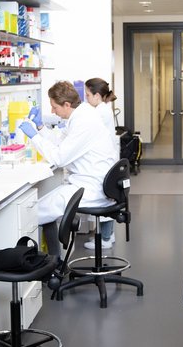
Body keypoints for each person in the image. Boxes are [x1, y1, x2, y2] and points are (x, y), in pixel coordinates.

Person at [17, 81, 117, 258]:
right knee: (42, 208)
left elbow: (59, 158)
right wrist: (40, 128)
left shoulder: (84, 121)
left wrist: (34, 137)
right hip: (90, 183)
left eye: (54, 107)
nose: (53, 111)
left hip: (91, 189)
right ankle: (55, 260)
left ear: (67, 105)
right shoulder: (80, 115)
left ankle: (45, 264)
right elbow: (60, 142)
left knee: (31, 213)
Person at [83, 77, 122, 250]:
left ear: (97, 95)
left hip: (105, 161)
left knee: (104, 199)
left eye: (87, 94)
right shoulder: (102, 108)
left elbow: (87, 130)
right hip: (108, 159)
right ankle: (109, 235)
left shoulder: (100, 111)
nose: (85, 98)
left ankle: (105, 239)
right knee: (108, 198)